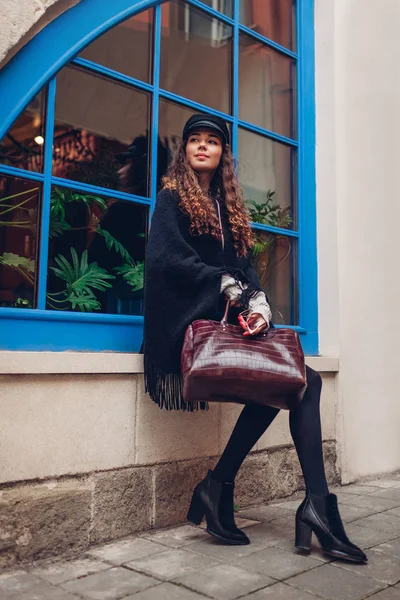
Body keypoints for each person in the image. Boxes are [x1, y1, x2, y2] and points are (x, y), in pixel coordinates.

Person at [143, 113, 367, 563]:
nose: (203, 147)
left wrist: (258, 302)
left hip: (233, 321)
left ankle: (241, 490)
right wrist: (221, 283)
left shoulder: (229, 210)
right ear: (184, 150)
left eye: (213, 142)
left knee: (298, 382)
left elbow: (244, 269)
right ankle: (305, 506)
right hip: (197, 324)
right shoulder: (172, 199)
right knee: (296, 382)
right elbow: (165, 258)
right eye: (195, 141)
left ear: (224, 154)